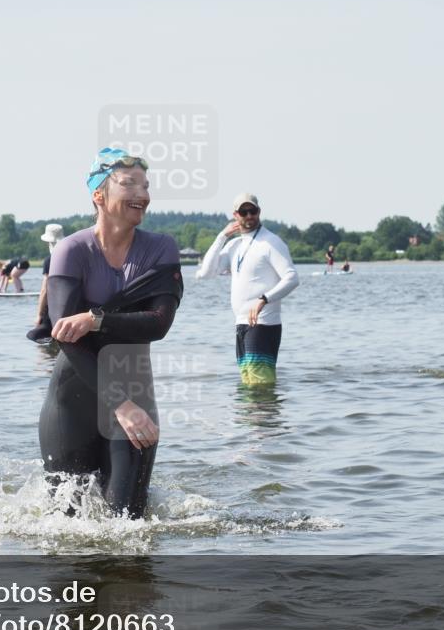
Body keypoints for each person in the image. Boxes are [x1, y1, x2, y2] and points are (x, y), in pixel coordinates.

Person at [39, 147, 183, 519]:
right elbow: (64, 336)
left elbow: (159, 322)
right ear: (99, 195)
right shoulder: (71, 250)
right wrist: (121, 405)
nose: (143, 194)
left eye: (146, 186)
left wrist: (96, 319)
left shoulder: (160, 248)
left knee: (129, 524)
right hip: (74, 397)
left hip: (136, 388)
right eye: (130, 184)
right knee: (67, 525)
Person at [195, 192, 300, 386]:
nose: (249, 215)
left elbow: (292, 278)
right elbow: (205, 273)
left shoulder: (271, 242)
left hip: (264, 323)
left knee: (260, 385)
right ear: (236, 215)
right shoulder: (234, 244)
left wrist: (264, 299)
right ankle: (248, 418)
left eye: (253, 211)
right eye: (244, 212)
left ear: (259, 212)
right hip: (241, 323)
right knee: (248, 384)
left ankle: (266, 416)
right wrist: (222, 236)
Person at [28, 224, 65, 341]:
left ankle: (44, 358)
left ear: (49, 242)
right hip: (71, 309)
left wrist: (39, 315)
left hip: (52, 311)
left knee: (32, 337)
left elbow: (45, 289)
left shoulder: (50, 260)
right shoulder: (71, 256)